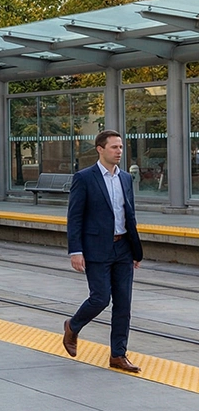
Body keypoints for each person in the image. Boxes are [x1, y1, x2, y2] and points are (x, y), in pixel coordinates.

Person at [63, 130, 144, 373]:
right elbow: (74, 217)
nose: (119, 151)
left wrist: (135, 251)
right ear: (100, 149)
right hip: (96, 248)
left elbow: (129, 215)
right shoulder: (85, 178)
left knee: (123, 304)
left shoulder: (126, 178)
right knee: (100, 298)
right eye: (114, 147)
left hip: (123, 248)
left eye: (120, 147)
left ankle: (118, 355)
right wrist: (75, 251)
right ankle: (73, 326)